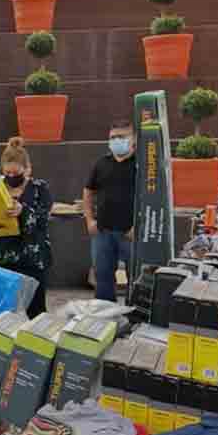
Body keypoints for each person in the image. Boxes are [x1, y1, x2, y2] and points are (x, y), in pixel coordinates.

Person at [0, 137, 53, 318]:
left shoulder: (39, 188)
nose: (11, 176)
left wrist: (23, 210)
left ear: (27, 168)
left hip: (32, 257)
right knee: (2, 311)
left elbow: (43, 218)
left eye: (15, 172)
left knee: (36, 310)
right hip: (3, 256)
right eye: (7, 172)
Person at [83, 119, 137, 302]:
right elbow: (88, 191)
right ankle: (105, 313)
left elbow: (151, 198)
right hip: (103, 232)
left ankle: (134, 314)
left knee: (136, 279)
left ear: (133, 138)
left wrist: (139, 226)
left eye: (121, 136)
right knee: (103, 277)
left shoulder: (142, 165)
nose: (116, 140)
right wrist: (89, 220)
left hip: (131, 234)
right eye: (113, 137)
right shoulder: (101, 164)